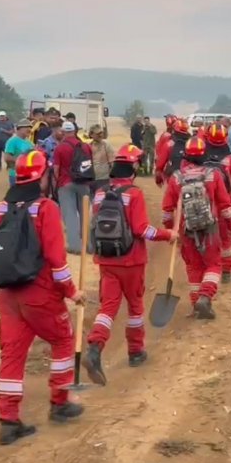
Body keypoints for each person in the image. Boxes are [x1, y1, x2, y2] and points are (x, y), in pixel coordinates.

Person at [0, 150, 85, 445]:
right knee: (62, 340)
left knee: (12, 355)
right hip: (39, 293)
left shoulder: (0, 208)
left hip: (7, 295)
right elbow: (57, 261)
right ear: (43, 176)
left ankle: (8, 420)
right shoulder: (45, 208)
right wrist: (72, 292)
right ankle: (59, 402)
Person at [83, 144, 177, 385]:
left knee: (108, 307)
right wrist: (168, 234)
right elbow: (141, 229)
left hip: (106, 260)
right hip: (132, 260)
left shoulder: (101, 193)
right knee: (135, 307)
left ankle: (95, 347)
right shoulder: (133, 194)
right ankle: (135, 352)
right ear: (133, 167)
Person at [162, 137, 231, 320]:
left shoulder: (176, 177)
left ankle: (196, 305)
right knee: (213, 264)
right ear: (204, 155)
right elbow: (226, 207)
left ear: (186, 156)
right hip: (210, 229)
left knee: (194, 267)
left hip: (187, 231)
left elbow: (167, 212)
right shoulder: (213, 175)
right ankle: (205, 296)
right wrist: (230, 227)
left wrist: (171, 231)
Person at [203, 123, 231, 284]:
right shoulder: (229, 161)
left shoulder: (201, 157)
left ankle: (208, 268)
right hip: (224, 205)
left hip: (203, 205)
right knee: (226, 238)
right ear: (225, 139)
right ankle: (226, 273)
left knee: (206, 237)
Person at [53, 121, 94, 254]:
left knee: (70, 215)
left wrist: (56, 184)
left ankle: (75, 246)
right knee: (85, 215)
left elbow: (56, 169)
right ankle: (88, 245)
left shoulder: (60, 148)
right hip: (84, 183)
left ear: (63, 132)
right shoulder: (86, 146)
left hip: (66, 183)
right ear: (75, 131)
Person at [155, 117, 191, 187]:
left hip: (172, 176)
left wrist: (158, 175)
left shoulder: (169, 143)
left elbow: (161, 162)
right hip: (188, 177)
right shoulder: (191, 143)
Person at [4, 119, 34, 187]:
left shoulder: (29, 142)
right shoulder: (12, 141)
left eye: (30, 127)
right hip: (16, 175)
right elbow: (7, 157)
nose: (29, 129)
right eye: (27, 127)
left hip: (28, 175)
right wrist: (22, 160)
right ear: (19, 129)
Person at [88, 124, 114, 194]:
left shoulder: (106, 145)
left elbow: (112, 163)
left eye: (101, 133)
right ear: (91, 134)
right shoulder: (88, 146)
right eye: (98, 133)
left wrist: (112, 179)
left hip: (104, 179)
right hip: (91, 179)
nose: (100, 135)